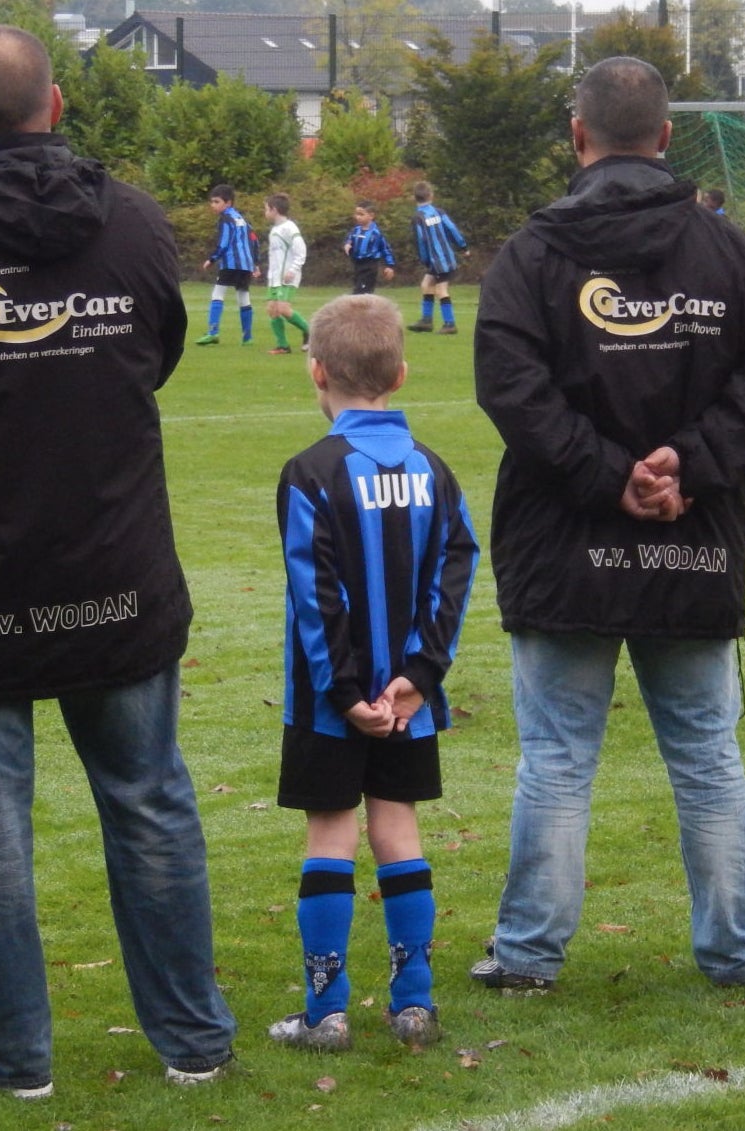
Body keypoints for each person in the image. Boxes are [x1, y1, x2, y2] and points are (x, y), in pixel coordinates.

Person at [0, 24, 236, 1098]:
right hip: (112, 562)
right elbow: (154, 351)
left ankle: (17, 1053)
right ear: (56, 107)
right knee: (148, 800)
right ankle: (190, 1039)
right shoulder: (134, 223)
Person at [472, 56, 745, 995]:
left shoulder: (531, 255)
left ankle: (528, 955)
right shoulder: (731, 254)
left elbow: (511, 387)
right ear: (665, 137)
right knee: (705, 755)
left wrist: (650, 470)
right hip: (685, 541)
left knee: (556, 758)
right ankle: (735, 952)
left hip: (565, 542)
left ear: (576, 135)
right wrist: (668, 471)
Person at [269, 294, 479, 1052]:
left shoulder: (310, 473)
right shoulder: (434, 470)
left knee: (331, 830)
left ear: (317, 372)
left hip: (331, 700)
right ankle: (412, 1004)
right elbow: (456, 573)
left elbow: (315, 593)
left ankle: (324, 1013)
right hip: (406, 700)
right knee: (397, 825)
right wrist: (419, 675)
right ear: (400, 373)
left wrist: (347, 692)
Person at [197, 183, 257, 345]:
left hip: (230, 263)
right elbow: (254, 240)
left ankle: (213, 332)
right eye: (212, 202)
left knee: (218, 294)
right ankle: (247, 337)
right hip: (245, 265)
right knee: (243, 297)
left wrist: (212, 259)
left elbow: (224, 243)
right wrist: (255, 262)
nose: (213, 205)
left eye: (217, 202)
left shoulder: (225, 219)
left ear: (228, 203)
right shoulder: (242, 219)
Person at [408, 180, 468, 335]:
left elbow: (421, 241)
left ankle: (450, 324)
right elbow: (452, 229)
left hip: (436, 261)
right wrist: (463, 246)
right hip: (446, 258)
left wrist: (425, 260)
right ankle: (426, 321)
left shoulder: (417, 218)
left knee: (441, 289)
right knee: (426, 284)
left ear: (414, 198)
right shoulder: (439, 212)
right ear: (431, 195)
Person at [263, 191, 310, 355]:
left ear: (274, 210)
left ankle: (310, 331)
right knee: (272, 309)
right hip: (275, 278)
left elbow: (301, 251)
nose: (265, 212)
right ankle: (283, 345)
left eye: (266, 209)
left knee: (283, 309)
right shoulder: (275, 229)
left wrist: (293, 270)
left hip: (287, 276)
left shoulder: (290, 228)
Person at [344, 200, 395, 295]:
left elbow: (385, 249)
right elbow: (349, 239)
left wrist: (390, 265)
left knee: (361, 292)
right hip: (357, 264)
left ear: (371, 216)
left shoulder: (376, 233)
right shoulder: (355, 230)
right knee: (358, 289)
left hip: (369, 265)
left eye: (361, 214)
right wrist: (347, 244)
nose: (358, 217)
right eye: (356, 214)